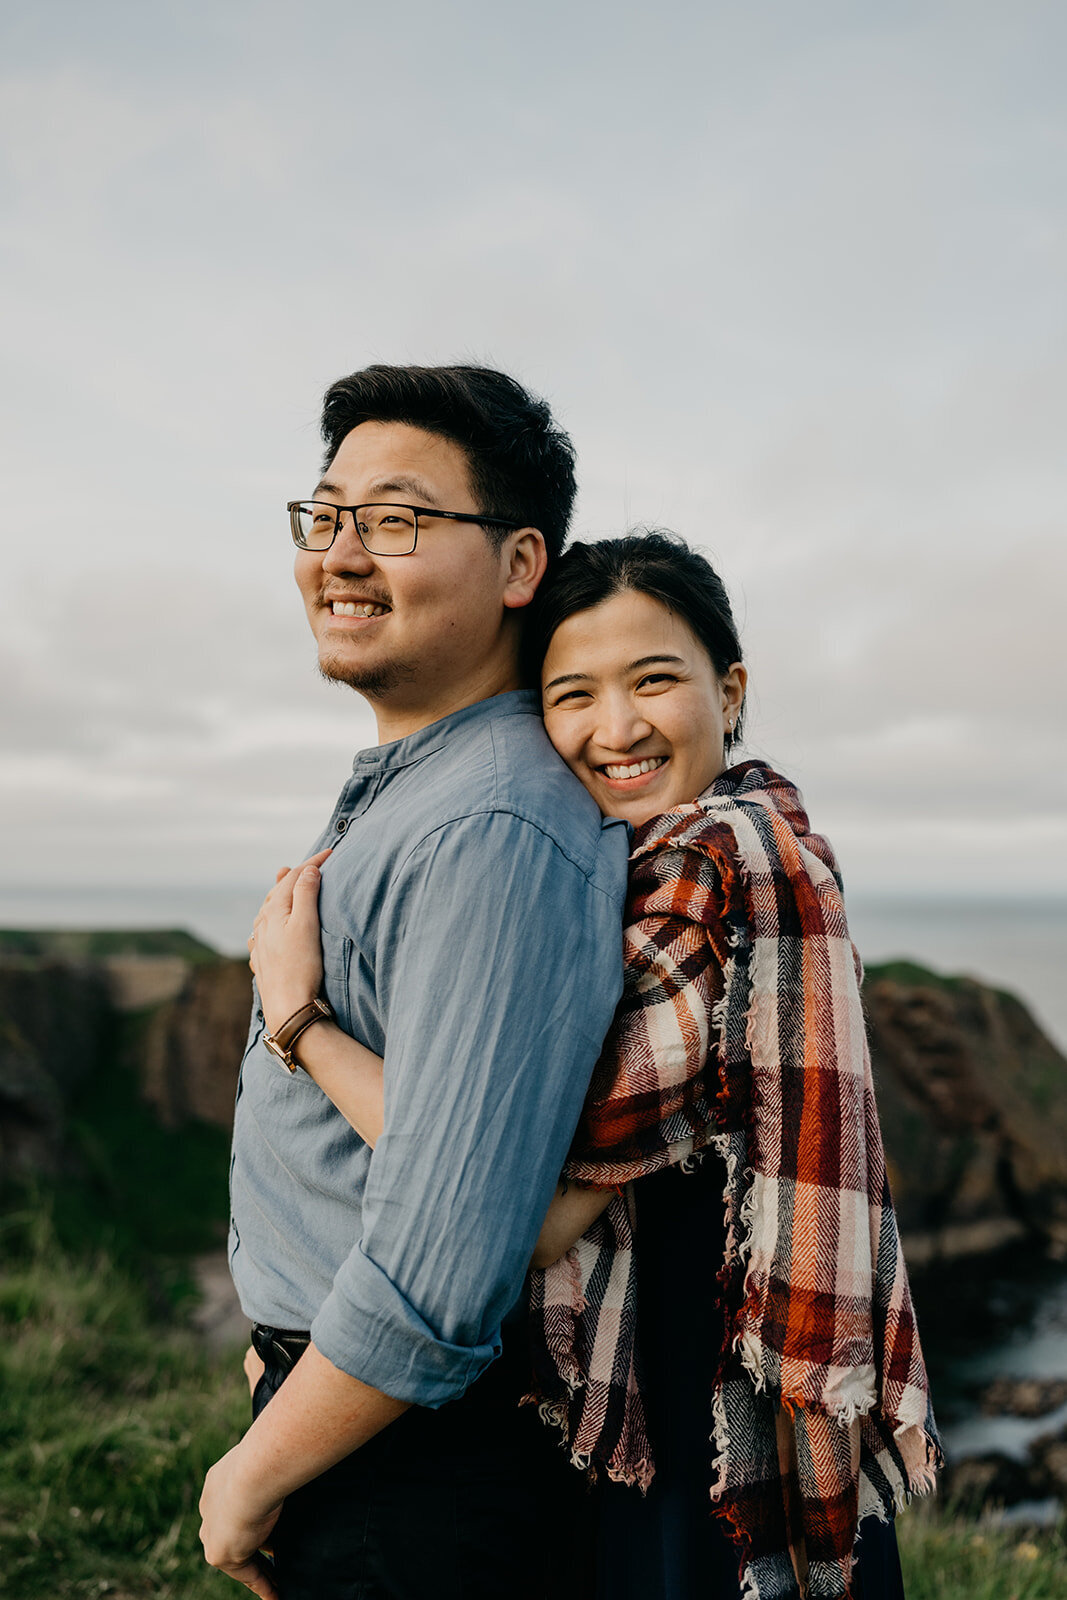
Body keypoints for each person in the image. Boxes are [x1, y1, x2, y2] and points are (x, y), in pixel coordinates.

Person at [250, 531, 941, 1600]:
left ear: (730, 688)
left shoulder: (722, 875)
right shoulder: (650, 860)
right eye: (571, 693)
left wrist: (301, 1022)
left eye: (653, 679)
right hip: (650, 1392)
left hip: (704, 1412)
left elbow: (511, 1208)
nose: (613, 727)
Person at [198, 365, 630, 1600]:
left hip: (422, 1464)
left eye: (394, 520)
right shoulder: (424, 786)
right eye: (324, 516)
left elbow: (447, 1261)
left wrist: (252, 1473)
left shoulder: (493, 825)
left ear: (517, 565)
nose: (339, 553)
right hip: (354, 1413)